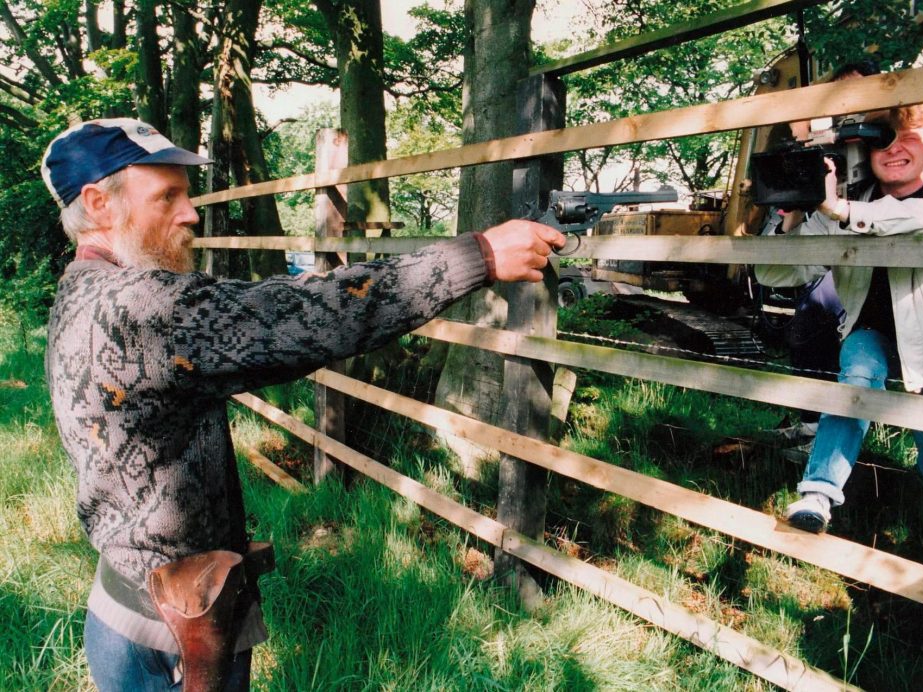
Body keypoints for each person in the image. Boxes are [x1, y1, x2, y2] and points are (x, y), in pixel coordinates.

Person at [41, 118, 565, 690]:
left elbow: (256, 346)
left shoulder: (81, 289)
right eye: (168, 196)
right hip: (169, 646)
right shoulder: (136, 306)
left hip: (133, 609)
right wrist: (478, 256)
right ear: (98, 204)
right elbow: (307, 318)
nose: (190, 212)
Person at [755, 101, 923, 533]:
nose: (893, 150)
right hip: (874, 334)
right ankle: (817, 495)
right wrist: (793, 214)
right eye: (882, 141)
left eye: (908, 137)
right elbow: (775, 271)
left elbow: (915, 219)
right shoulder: (848, 201)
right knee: (857, 371)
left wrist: (844, 213)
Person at [762, 60, 879, 448]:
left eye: (859, 103)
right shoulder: (833, 187)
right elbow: (774, 273)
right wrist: (792, 211)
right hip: (847, 260)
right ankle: (816, 422)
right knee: (813, 312)